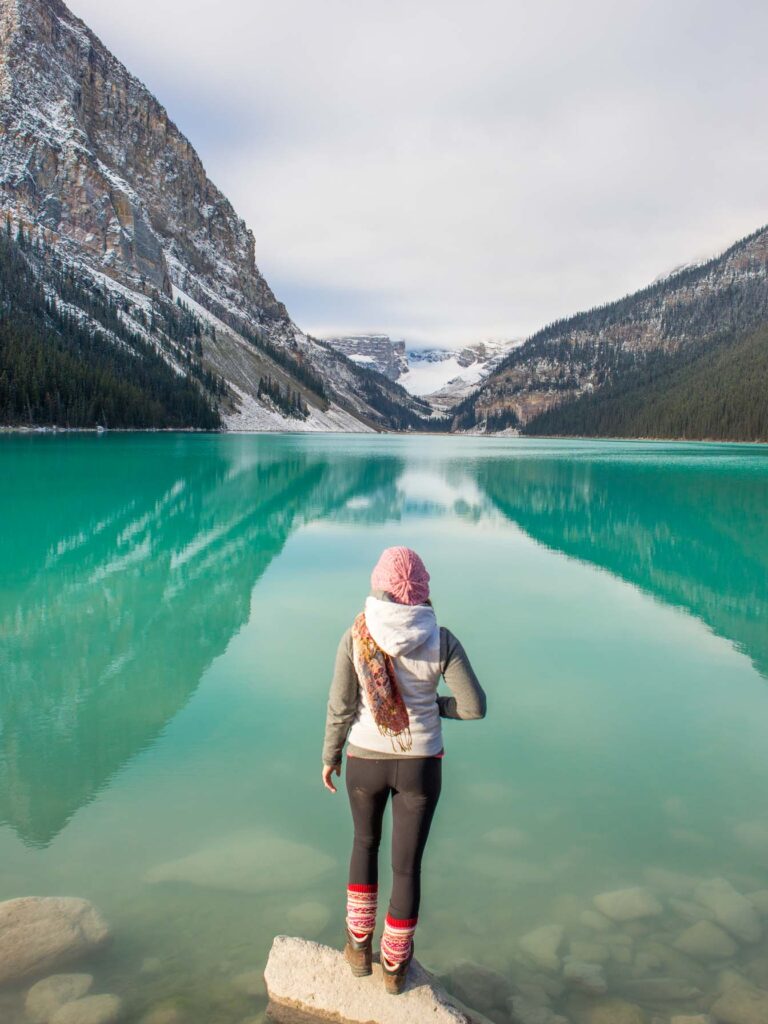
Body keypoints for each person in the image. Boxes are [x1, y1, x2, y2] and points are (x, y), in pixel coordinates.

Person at [321, 546, 487, 995]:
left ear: (379, 587)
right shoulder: (442, 639)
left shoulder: (357, 633)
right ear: (422, 593)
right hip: (420, 766)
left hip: (364, 763)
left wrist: (330, 756)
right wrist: (434, 705)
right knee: (407, 868)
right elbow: (474, 708)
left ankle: (359, 948)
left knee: (364, 844)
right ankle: (394, 968)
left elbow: (341, 707)